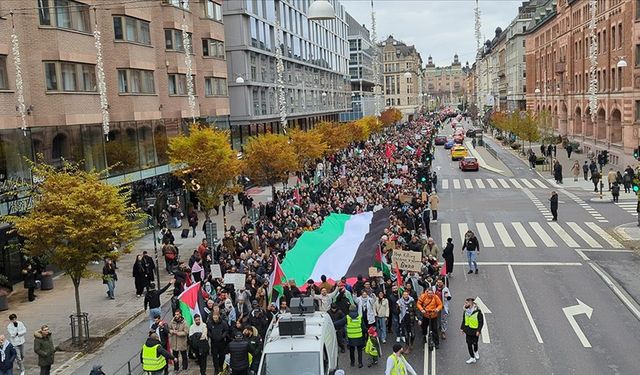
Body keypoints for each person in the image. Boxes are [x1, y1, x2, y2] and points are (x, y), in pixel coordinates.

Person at [460, 297, 484, 364]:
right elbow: (464, 319)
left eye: (466, 303)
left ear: (471, 303)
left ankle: (476, 351)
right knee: (468, 343)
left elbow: (481, 322)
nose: (465, 304)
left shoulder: (478, 311)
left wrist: (478, 331)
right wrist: (462, 328)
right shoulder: (465, 310)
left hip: (475, 330)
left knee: (475, 343)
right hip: (468, 330)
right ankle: (472, 357)